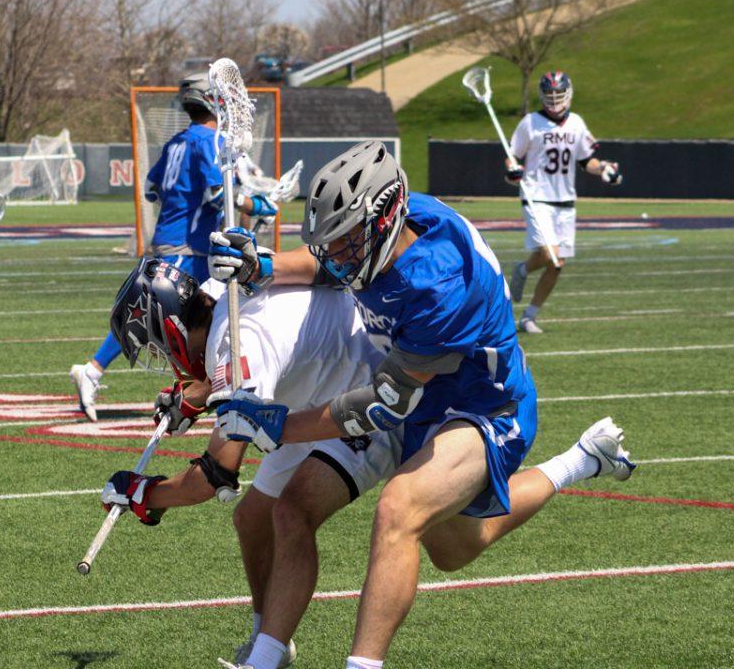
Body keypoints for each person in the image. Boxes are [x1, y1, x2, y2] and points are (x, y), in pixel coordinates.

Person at [208, 141, 636, 668]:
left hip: (482, 407)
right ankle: (265, 660)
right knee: (429, 540)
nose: (335, 255)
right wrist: (262, 264)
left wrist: (275, 426)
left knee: (400, 508)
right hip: (415, 392)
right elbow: (328, 267)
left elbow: (380, 406)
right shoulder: (400, 225)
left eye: (345, 243)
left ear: (385, 220)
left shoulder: (436, 283)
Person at [99, 256, 398, 668]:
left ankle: (264, 659)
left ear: (174, 329)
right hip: (317, 390)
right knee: (253, 517)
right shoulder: (219, 292)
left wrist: (146, 494)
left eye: (160, 346)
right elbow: (255, 358)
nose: (166, 358)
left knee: (293, 512)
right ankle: (267, 637)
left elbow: (216, 474)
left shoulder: (236, 343)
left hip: (369, 397)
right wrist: (198, 396)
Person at [69, 74, 276, 420]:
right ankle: (93, 370)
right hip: (188, 244)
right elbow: (214, 195)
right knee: (166, 318)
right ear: (216, 103)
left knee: (194, 315)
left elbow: (152, 187)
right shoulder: (209, 140)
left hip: (175, 237)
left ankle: (208, 386)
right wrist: (256, 205)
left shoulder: (177, 142)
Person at [504, 71, 625, 333]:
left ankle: (529, 317)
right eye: (550, 96)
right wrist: (513, 172)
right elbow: (512, 157)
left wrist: (603, 167)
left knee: (558, 264)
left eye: (559, 95)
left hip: (565, 199)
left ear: (568, 94)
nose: (554, 100)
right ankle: (523, 270)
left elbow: (586, 161)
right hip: (537, 196)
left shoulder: (577, 123)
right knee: (550, 254)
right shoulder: (530, 122)